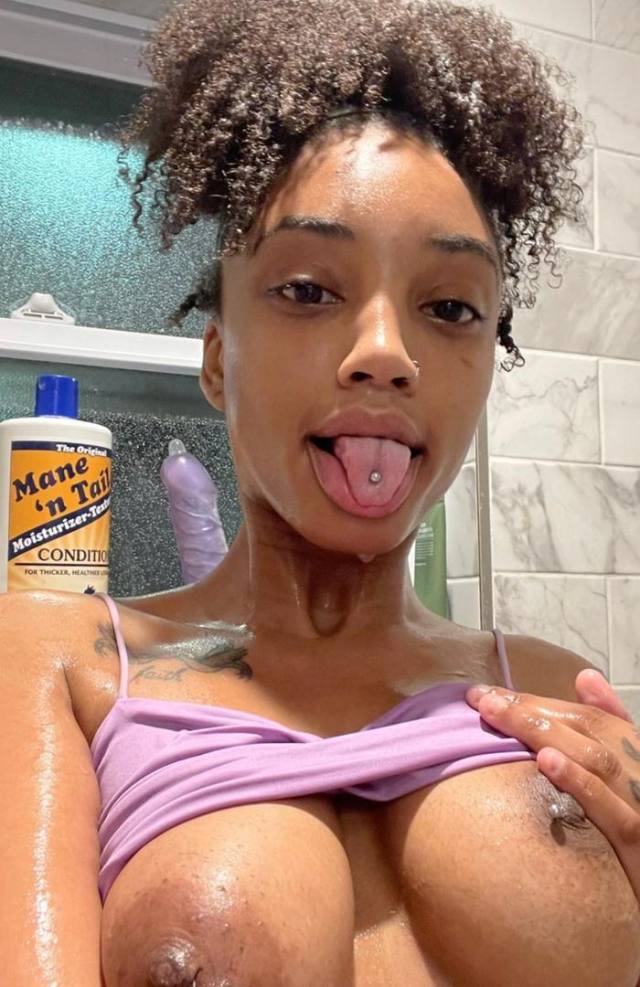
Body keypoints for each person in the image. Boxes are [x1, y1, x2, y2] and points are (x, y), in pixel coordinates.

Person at [3, 0, 640, 985]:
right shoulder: (58, 660)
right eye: (307, 290)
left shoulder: (560, 692)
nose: (386, 351)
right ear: (217, 361)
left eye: (449, 306)